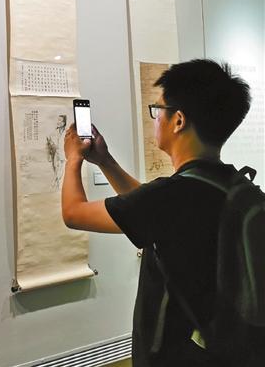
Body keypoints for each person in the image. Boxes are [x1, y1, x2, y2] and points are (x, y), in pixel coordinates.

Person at [61, 59, 251, 367]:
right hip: (222, 349)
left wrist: (73, 160)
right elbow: (151, 209)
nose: (155, 118)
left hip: (174, 356)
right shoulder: (232, 184)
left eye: (158, 109)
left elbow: (74, 213)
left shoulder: (170, 197)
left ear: (178, 120)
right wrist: (106, 161)